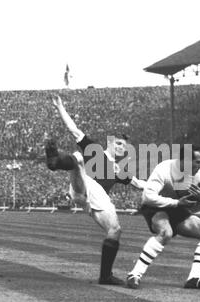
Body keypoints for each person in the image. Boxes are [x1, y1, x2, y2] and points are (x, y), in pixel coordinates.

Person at [45, 95, 146, 285]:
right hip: (85, 186)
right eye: (117, 143)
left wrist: (164, 184)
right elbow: (73, 130)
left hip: (90, 200)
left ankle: (105, 276)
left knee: (115, 230)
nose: (121, 148)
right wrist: (59, 106)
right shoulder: (96, 150)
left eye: (123, 146)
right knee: (78, 159)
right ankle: (56, 161)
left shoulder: (119, 171)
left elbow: (140, 184)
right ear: (109, 143)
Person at [127, 145, 200, 289]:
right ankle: (134, 274)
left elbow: (193, 209)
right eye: (198, 162)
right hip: (156, 207)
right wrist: (176, 202)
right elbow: (148, 197)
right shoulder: (164, 169)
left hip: (178, 208)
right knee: (166, 233)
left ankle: (194, 279)